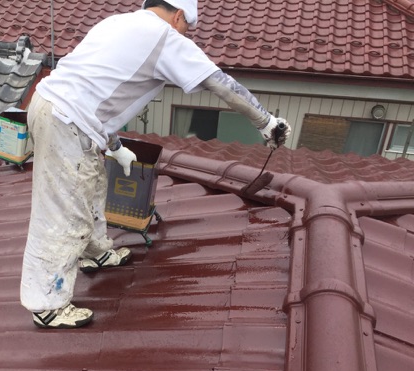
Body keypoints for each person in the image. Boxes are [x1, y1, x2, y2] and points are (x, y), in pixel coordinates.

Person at [20, 0, 292, 329]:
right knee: (65, 211)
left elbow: (97, 91)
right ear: (178, 16)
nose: (186, 34)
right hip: (68, 121)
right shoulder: (165, 37)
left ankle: (95, 251)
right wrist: (266, 122)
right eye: (187, 27)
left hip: (51, 106)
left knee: (91, 185)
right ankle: (47, 304)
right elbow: (219, 83)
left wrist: (115, 146)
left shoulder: (117, 23)